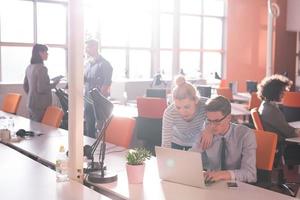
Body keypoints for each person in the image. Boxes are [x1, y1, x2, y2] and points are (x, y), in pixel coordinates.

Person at [192, 96, 257, 183]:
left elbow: (251, 174)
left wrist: (222, 174)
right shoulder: (206, 132)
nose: (212, 126)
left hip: (237, 184)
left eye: (217, 121)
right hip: (213, 183)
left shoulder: (245, 134)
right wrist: (202, 138)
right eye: (209, 120)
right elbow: (190, 160)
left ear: (229, 117)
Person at [257, 74, 300, 165]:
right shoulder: (272, 111)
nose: (284, 94)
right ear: (274, 92)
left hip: (278, 144)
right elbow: (290, 133)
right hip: (284, 148)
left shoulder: (265, 105)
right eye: (282, 91)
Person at [161, 75, 207, 150]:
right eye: (178, 107)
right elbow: (166, 143)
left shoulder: (205, 105)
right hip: (176, 141)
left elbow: (220, 110)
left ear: (196, 100)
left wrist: (209, 130)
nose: (182, 112)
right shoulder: (170, 112)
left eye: (187, 107)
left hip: (197, 141)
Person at [23, 44, 60, 122]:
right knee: (41, 131)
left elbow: (25, 86)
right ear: (40, 53)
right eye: (46, 52)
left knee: (33, 129)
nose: (47, 54)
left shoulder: (29, 67)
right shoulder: (42, 68)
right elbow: (41, 89)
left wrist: (32, 94)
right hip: (41, 105)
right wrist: (54, 84)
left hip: (31, 103)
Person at [84, 39, 113, 138]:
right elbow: (85, 80)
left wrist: (99, 100)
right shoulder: (88, 64)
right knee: (89, 126)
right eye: (86, 47)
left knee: (100, 127)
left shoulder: (105, 64)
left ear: (95, 47)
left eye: (88, 47)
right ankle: (88, 149)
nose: (86, 50)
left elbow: (107, 82)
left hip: (98, 101)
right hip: (87, 99)